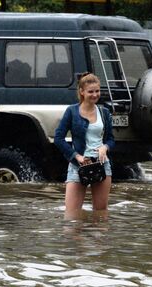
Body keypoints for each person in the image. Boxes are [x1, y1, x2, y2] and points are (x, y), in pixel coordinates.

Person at [54, 72, 115, 214]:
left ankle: (97, 237)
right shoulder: (72, 111)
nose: (95, 95)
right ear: (82, 92)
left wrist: (105, 147)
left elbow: (111, 140)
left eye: (97, 91)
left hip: (101, 164)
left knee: (101, 214)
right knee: (71, 215)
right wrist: (76, 156)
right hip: (78, 165)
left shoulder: (104, 112)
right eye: (91, 92)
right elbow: (58, 138)